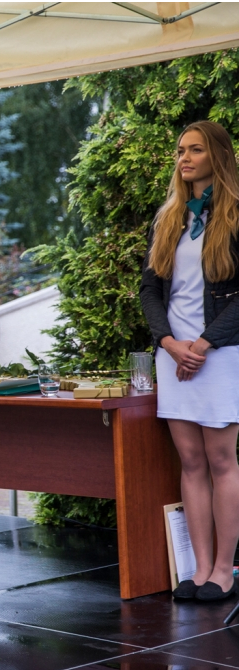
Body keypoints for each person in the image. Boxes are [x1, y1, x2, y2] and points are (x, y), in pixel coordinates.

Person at [139, 120, 239, 602]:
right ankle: (198, 570)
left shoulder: (236, 215)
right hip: (174, 357)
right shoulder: (169, 218)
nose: (184, 158)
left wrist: (202, 344)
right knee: (192, 460)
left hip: (219, 356)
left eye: (195, 150)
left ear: (217, 155)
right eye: (180, 150)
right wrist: (167, 341)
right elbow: (150, 289)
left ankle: (224, 570)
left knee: (222, 460)